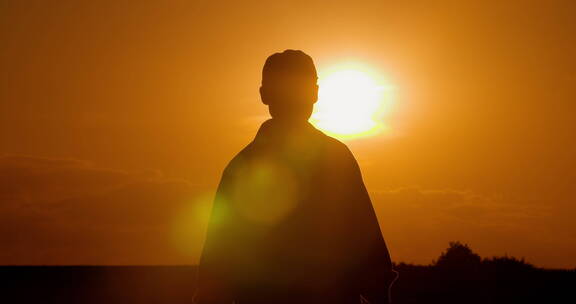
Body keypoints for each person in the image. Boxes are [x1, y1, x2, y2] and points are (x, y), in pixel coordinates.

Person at [195, 49, 396, 304]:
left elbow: (216, 267)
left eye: (297, 89)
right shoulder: (336, 158)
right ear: (315, 94)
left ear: (263, 95)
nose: (292, 98)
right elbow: (370, 252)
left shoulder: (240, 167)